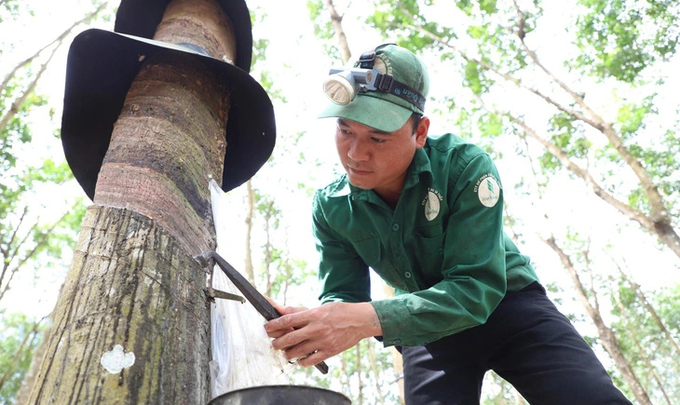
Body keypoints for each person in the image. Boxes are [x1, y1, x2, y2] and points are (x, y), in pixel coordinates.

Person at [264, 43, 632, 405]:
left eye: (378, 137)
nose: (356, 154)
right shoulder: (331, 206)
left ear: (420, 132)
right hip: (422, 329)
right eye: (345, 131)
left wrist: (366, 317)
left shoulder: (464, 167)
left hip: (508, 306)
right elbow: (345, 298)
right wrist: (314, 321)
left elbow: (476, 288)